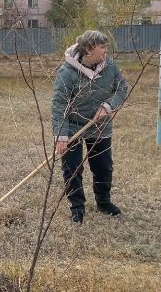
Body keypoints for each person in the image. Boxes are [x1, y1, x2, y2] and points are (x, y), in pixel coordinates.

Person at [52, 30, 128, 224]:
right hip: (73, 126)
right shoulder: (67, 73)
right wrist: (61, 136)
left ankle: (103, 203)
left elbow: (122, 88)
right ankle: (77, 208)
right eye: (101, 47)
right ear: (88, 49)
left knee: (103, 167)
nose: (105, 51)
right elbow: (59, 104)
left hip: (100, 126)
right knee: (72, 169)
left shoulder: (109, 66)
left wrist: (108, 105)